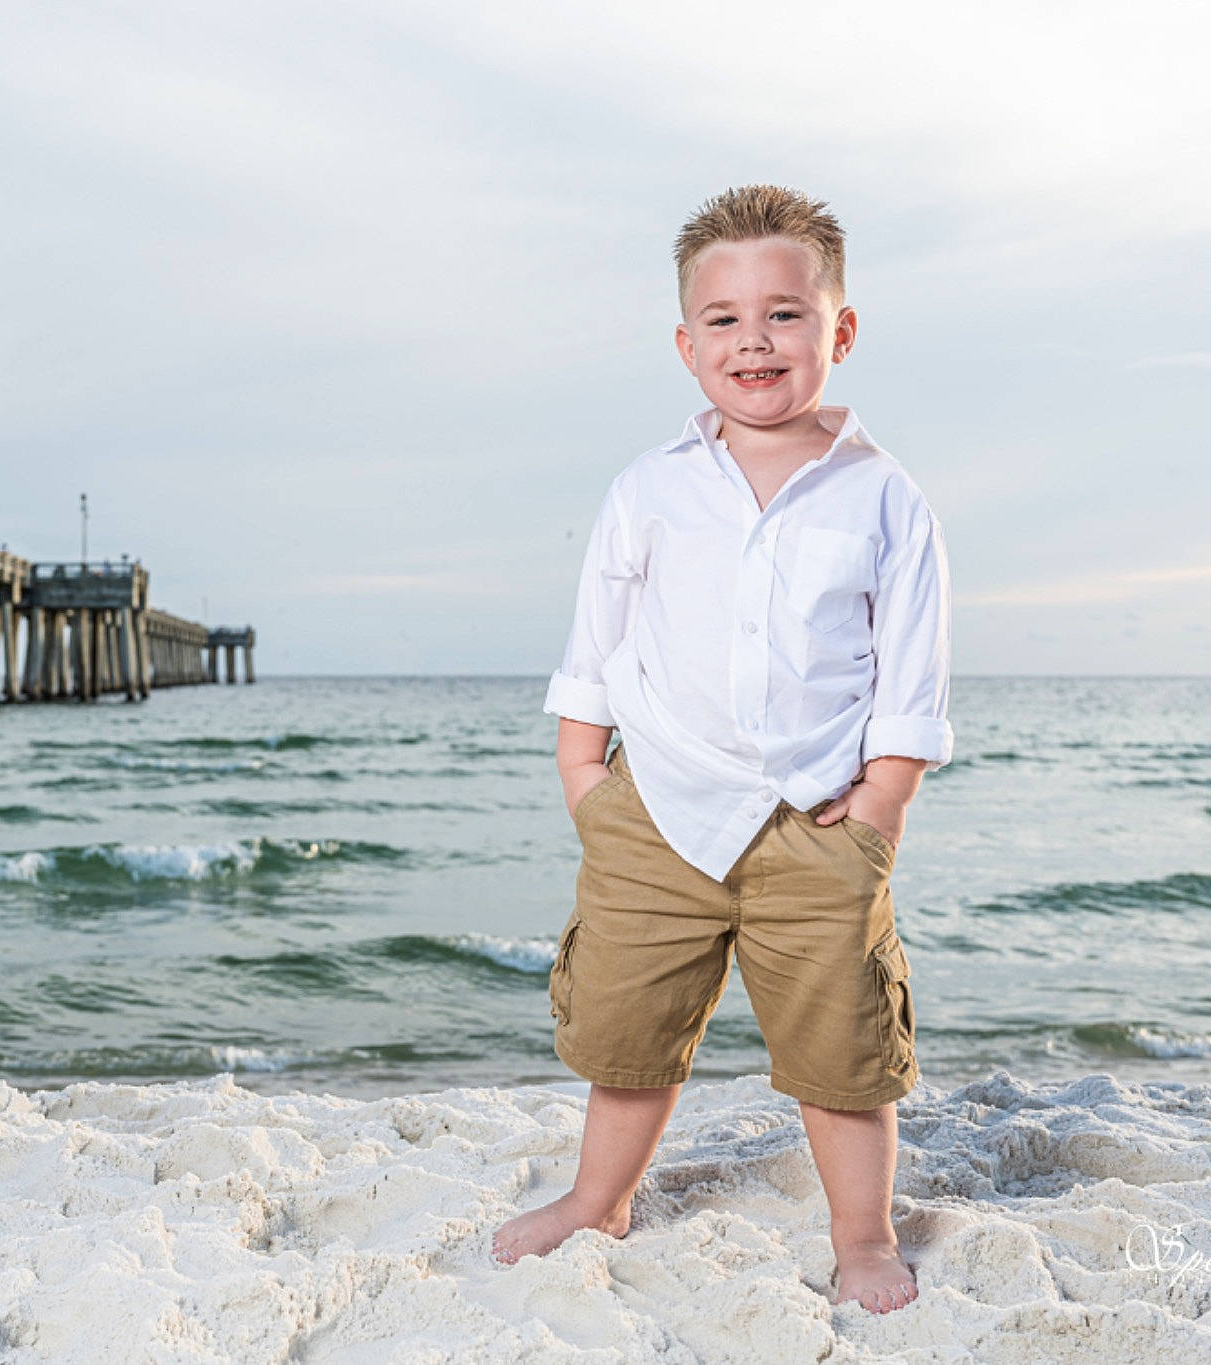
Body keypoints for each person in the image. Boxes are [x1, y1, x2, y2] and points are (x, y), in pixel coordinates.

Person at [491, 185, 953, 1316]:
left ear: (837, 333)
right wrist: (579, 772)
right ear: (687, 345)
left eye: (785, 314)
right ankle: (598, 1198)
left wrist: (885, 797)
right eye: (725, 317)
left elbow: (911, 662)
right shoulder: (648, 488)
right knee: (625, 1033)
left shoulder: (882, 497)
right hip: (655, 810)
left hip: (816, 821)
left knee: (840, 1051)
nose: (755, 337)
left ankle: (860, 1236)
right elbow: (595, 636)